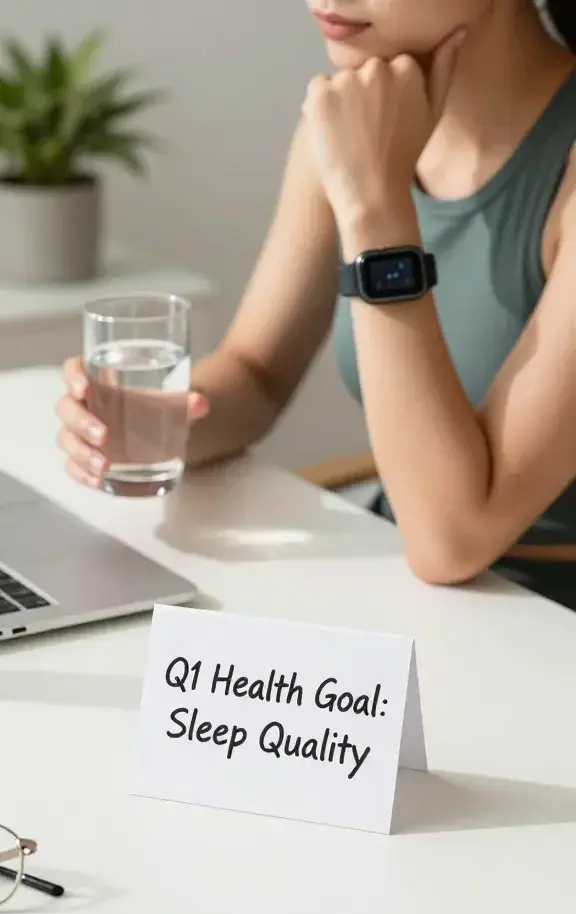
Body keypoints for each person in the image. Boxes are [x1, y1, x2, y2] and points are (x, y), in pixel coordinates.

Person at [56, 0, 576, 609]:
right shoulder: (351, 126)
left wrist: (377, 208)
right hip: (410, 594)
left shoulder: (373, 158)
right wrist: (155, 424)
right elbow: (257, 375)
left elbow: (452, 543)